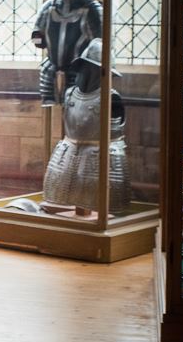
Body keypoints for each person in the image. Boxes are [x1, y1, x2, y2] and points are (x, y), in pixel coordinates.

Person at [42, 37, 130, 215]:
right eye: (84, 68)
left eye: (91, 69)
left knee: (100, 206)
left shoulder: (111, 97)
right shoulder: (69, 94)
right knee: (61, 199)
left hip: (101, 158)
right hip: (67, 153)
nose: (85, 73)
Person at [31, 0, 102, 104]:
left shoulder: (93, 9)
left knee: (75, 113)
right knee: (48, 114)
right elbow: (36, 37)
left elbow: (100, 48)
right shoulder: (50, 6)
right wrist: (39, 40)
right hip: (49, 69)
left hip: (79, 74)